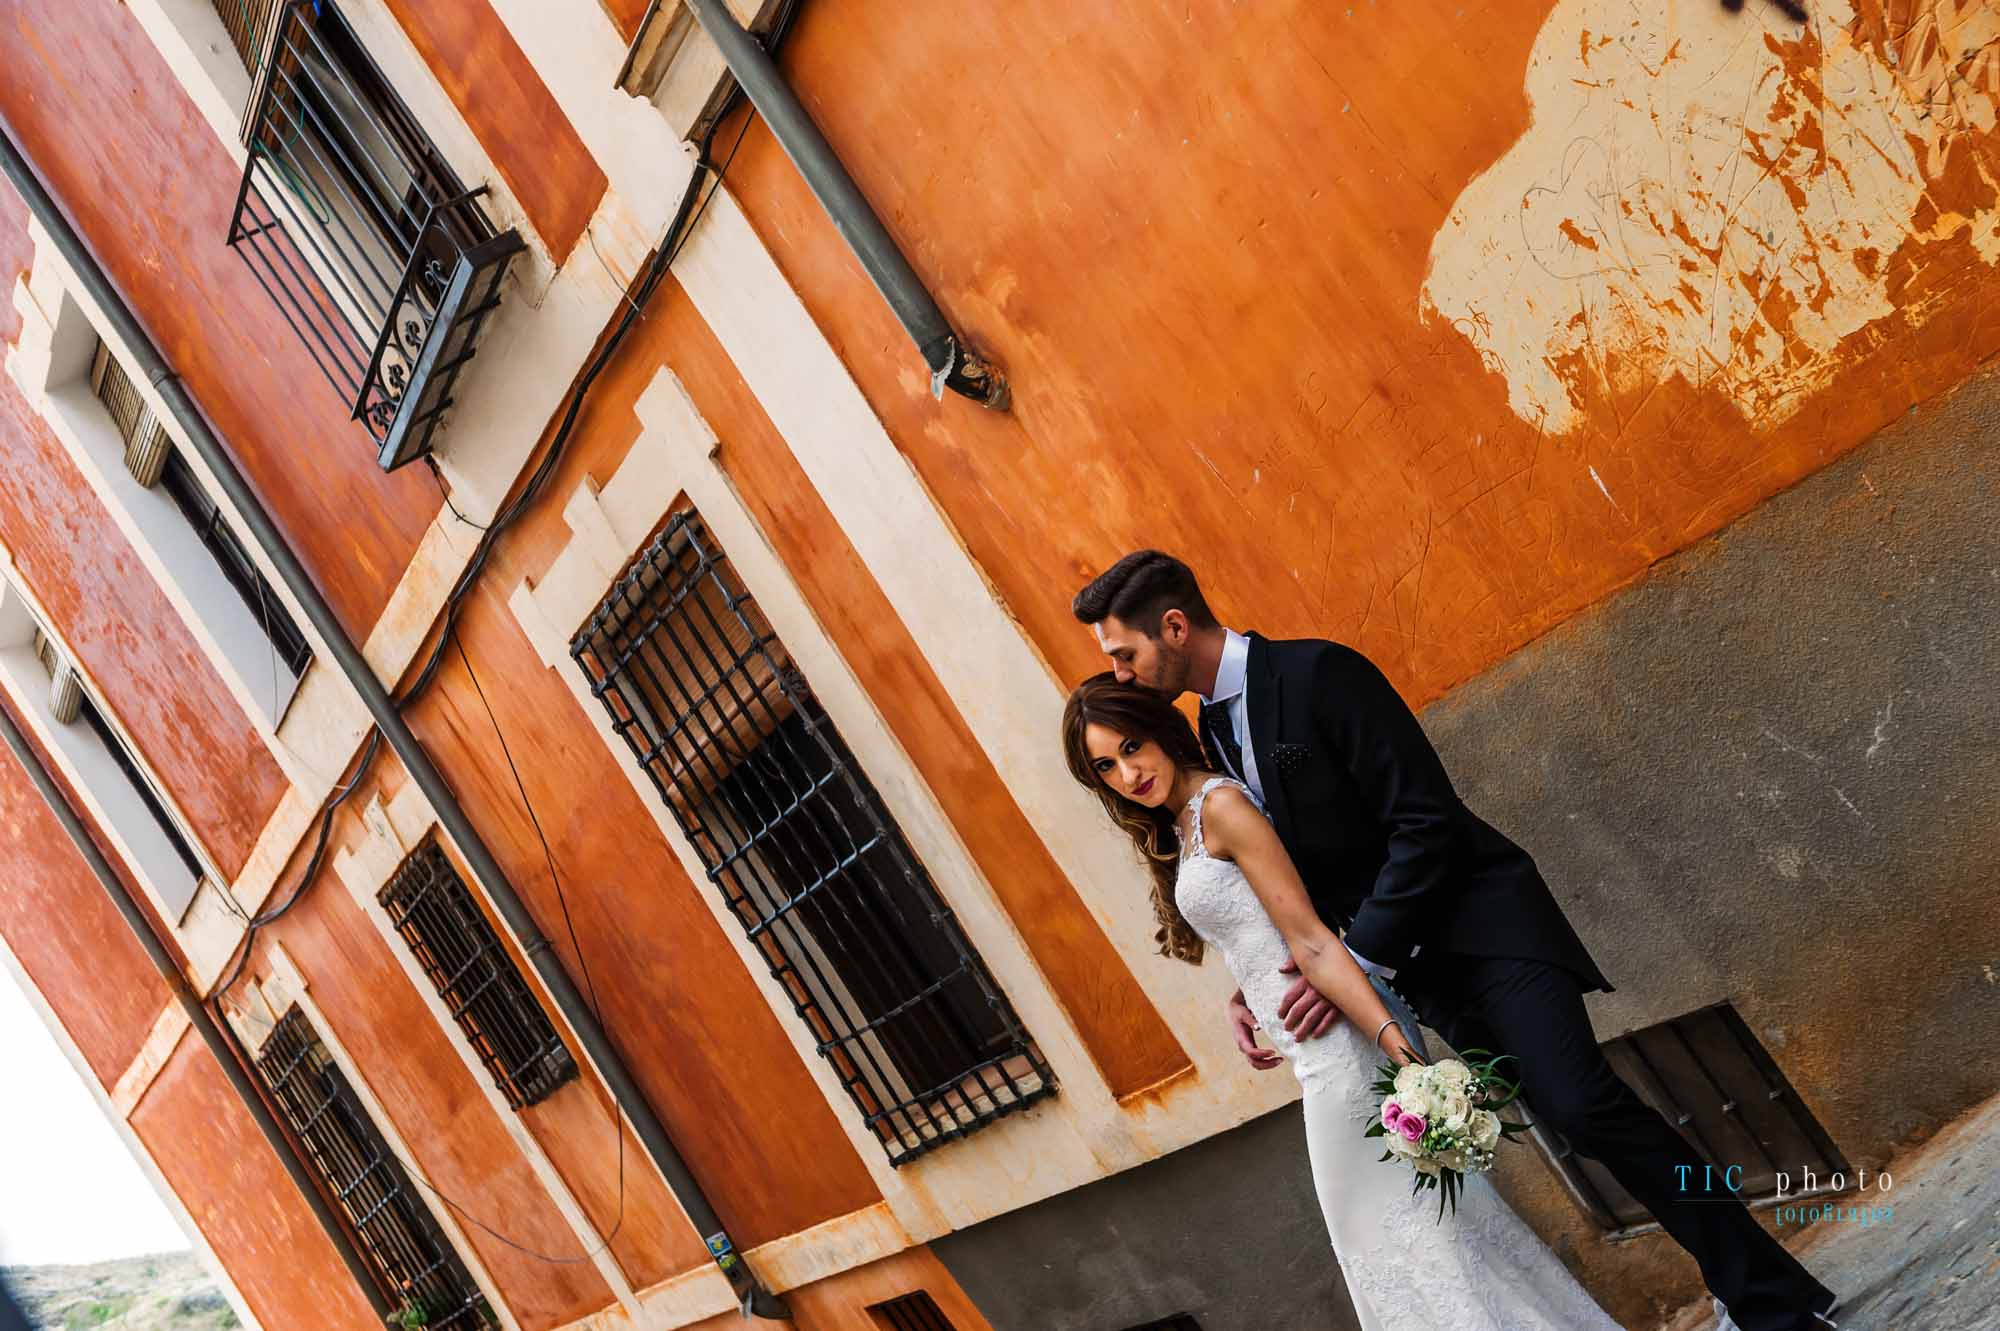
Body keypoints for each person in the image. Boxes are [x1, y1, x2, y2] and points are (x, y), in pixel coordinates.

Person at [1071, 550, 1838, 1331]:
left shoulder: (1318, 675)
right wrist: (1253, 982)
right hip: (1426, 974)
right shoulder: (1213, 735)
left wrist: (1360, 952)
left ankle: (1770, 1302)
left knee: (1587, 1105)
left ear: (1173, 626)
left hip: (1488, 929)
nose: (1124, 676)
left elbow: (1425, 820)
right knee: (1576, 1119)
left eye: (1124, 655)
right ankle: (1769, 1284)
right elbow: (1283, 884)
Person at [1062, 676, 1625, 1329]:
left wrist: (1402, 1053)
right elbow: (1264, 927)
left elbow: (1313, 938)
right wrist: (1246, 994)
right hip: (1315, 1050)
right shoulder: (1186, 818)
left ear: (1158, 728)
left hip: (1342, 1050)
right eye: (1106, 765)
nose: (1128, 772)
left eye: (1132, 746)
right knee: (1432, 1238)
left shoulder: (1220, 807)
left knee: (1388, 1243)